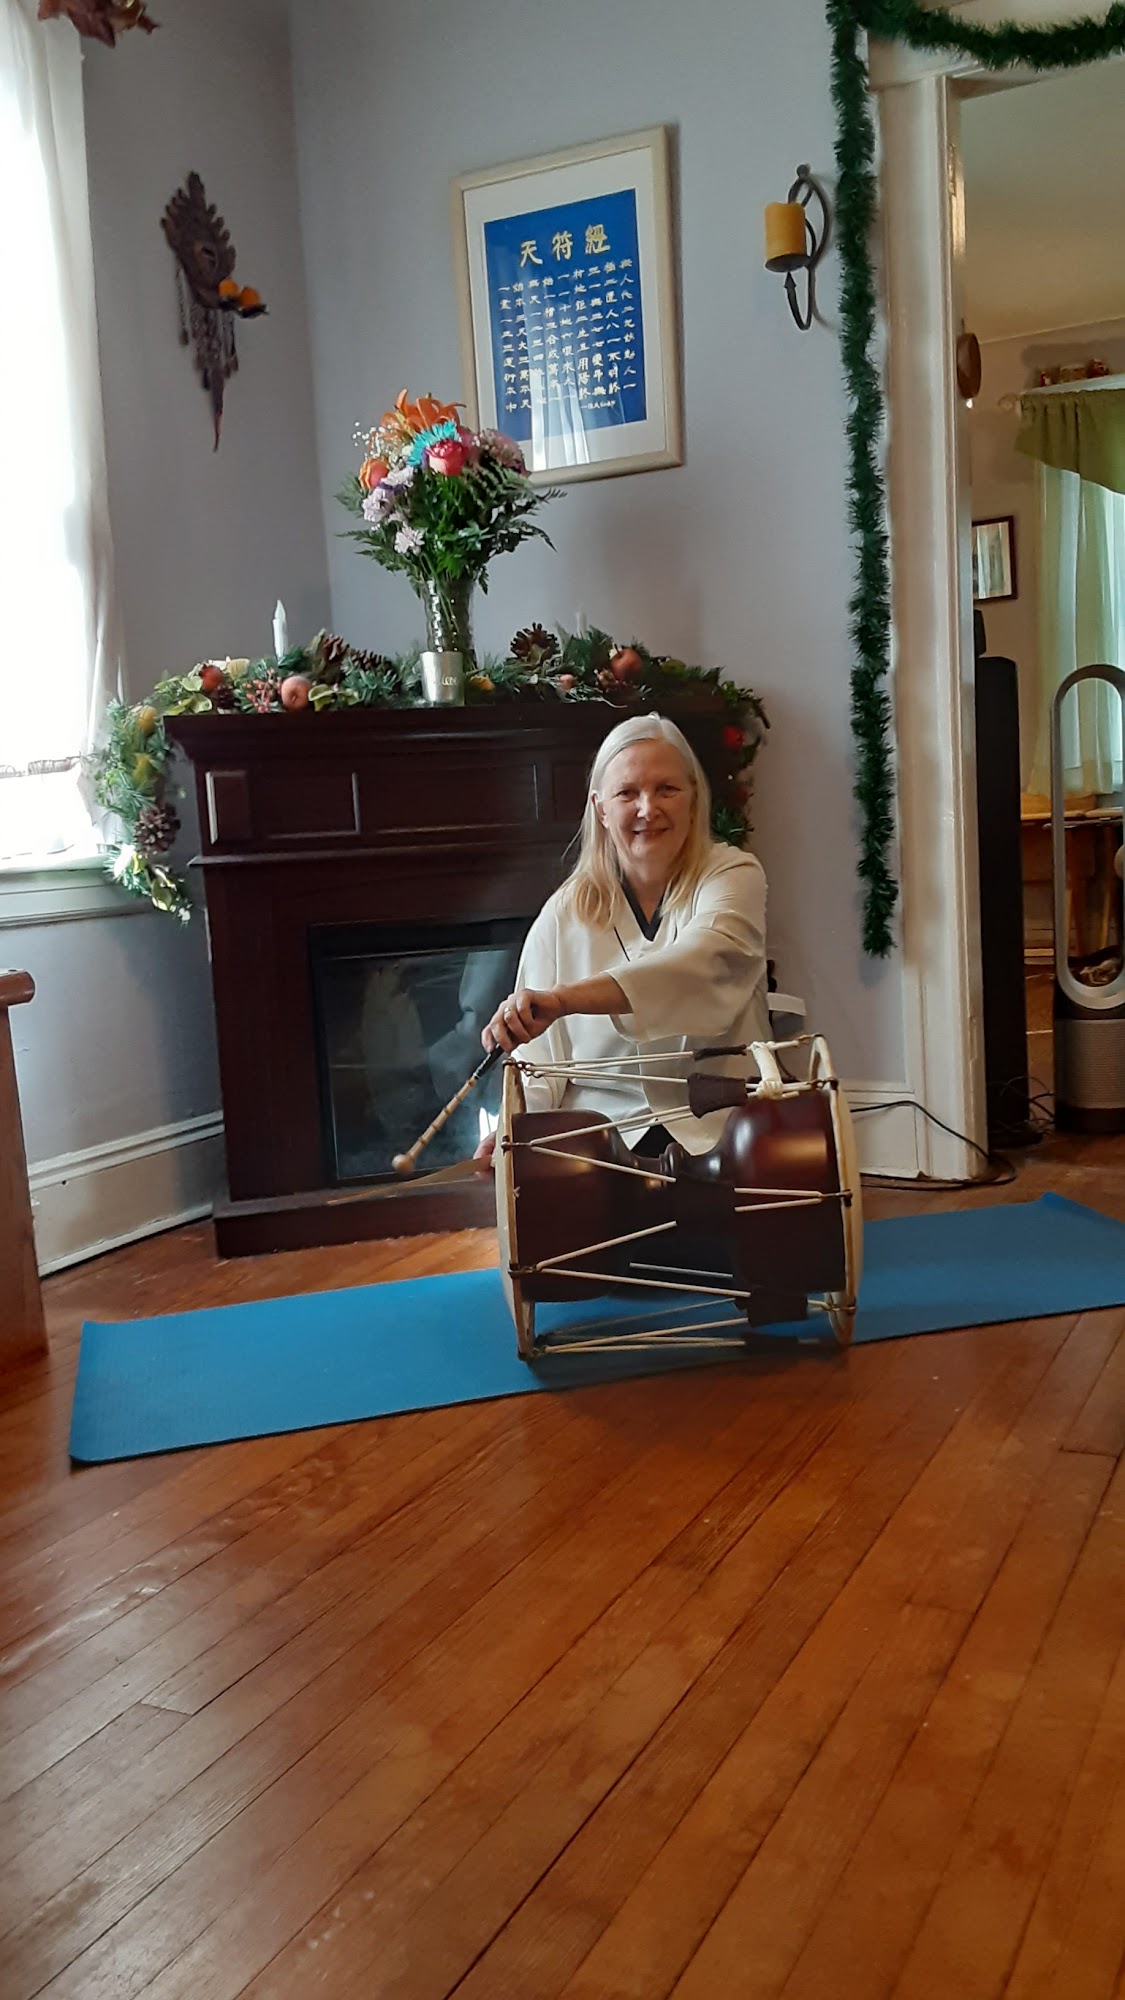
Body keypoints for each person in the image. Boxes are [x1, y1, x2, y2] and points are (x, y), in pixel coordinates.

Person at [474, 710, 768, 1170]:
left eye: (666, 789)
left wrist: (564, 1000)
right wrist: (515, 1127)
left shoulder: (735, 875)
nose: (648, 809)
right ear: (601, 809)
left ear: (694, 798)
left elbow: (700, 961)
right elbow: (538, 1064)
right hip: (598, 1144)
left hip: (720, 1131)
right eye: (628, 793)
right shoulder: (563, 912)